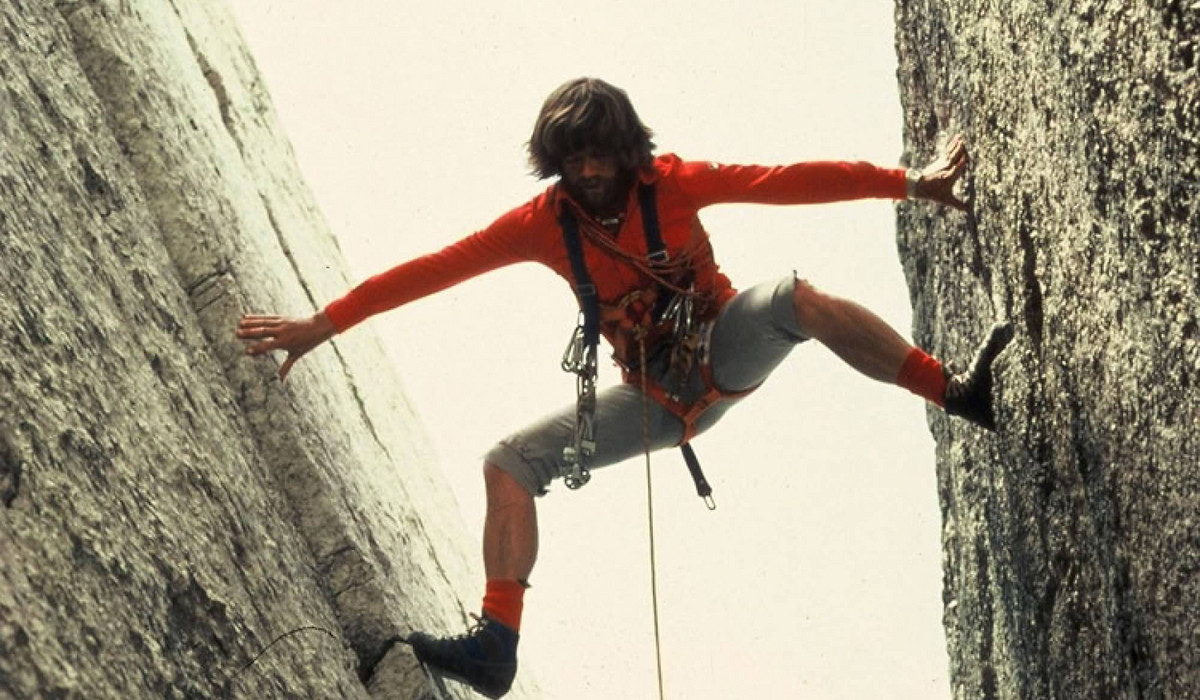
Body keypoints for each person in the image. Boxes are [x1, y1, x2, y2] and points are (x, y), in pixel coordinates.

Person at [236, 77, 1012, 699]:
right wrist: (321, 323)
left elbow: (788, 181)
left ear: (627, 149)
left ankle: (956, 392)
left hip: (722, 352)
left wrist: (914, 184)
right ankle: (495, 644)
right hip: (654, 400)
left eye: (602, 156)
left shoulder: (670, 186)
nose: (592, 174)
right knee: (508, 463)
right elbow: (432, 270)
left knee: (794, 300)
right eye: (575, 162)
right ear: (557, 164)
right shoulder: (543, 223)